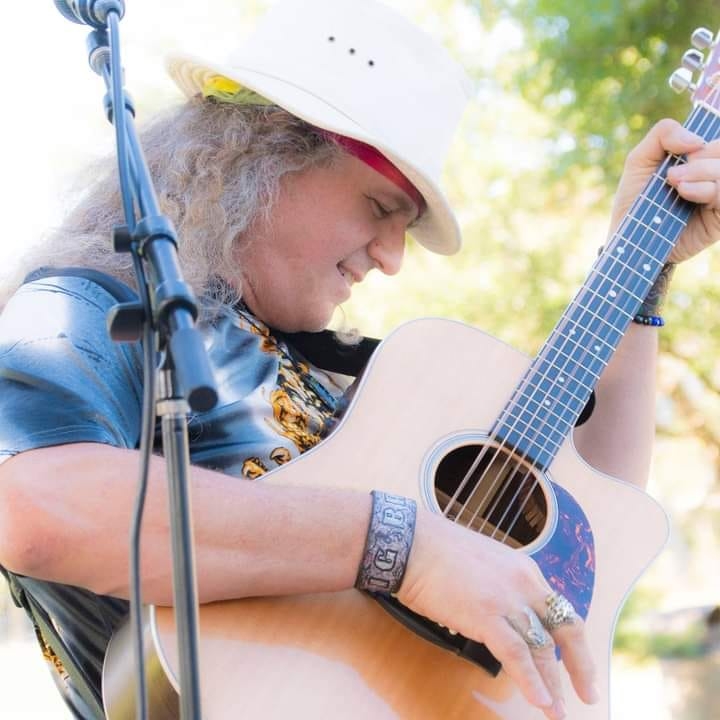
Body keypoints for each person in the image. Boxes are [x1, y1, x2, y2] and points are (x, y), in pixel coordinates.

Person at [0, 0, 718, 718]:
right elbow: (29, 503)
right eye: (380, 208)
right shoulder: (89, 305)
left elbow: (596, 509)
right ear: (259, 158)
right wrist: (403, 547)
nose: (393, 258)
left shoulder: (339, 374)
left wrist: (642, 273)